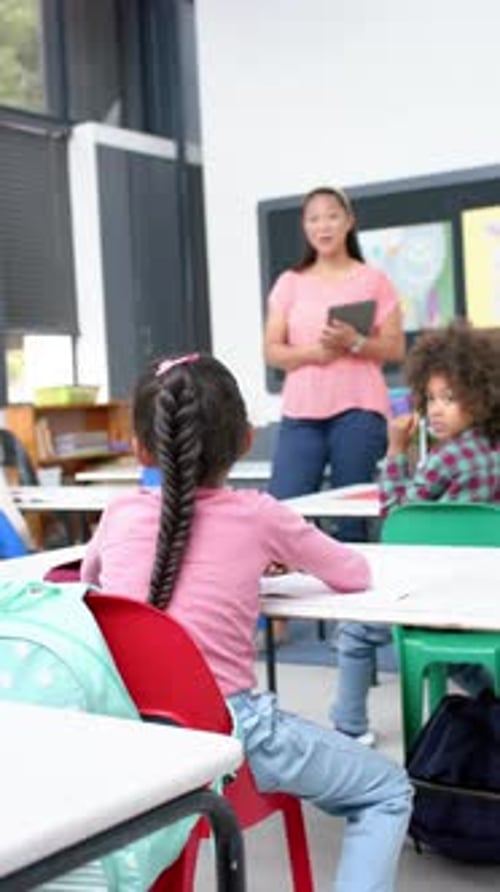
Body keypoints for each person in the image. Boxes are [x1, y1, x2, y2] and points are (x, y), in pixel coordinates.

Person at [81, 353, 412, 892]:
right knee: (388, 789)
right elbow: (353, 572)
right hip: (233, 737)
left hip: (141, 738)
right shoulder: (260, 515)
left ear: (142, 448)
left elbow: (92, 577)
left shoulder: (118, 514)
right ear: (245, 440)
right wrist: (271, 554)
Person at [332, 322, 500, 746]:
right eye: (430, 398)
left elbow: (396, 522)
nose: (436, 410)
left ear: (484, 396)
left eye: (450, 397)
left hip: (431, 597)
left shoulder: (446, 459)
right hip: (484, 601)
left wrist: (393, 454)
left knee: (354, 629)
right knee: (458, 651)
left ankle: (349, 727)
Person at [264, 185, 405, 543]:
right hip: (301, 412)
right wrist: (316, 353)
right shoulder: (290, 283)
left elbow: (395, 348)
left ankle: (352, 591)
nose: (323, 226)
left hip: (359, 409)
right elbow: (272, 351)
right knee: (283, 508)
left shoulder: (374, 280)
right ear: (305, 227)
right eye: (313, 218)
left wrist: (354, 342)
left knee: (351, 518)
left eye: (331, 216)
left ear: (348, 222)